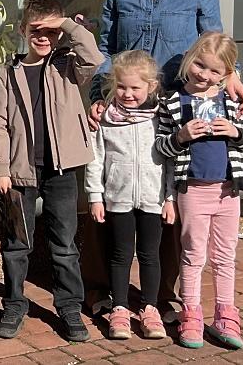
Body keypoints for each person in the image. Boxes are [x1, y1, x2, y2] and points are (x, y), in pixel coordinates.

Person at [86, 0, 243, 318]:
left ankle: (159, 295)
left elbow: (214, 42)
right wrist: (97, 93)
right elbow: (105, 52)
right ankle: (112, 292)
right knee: (117, 193)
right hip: (127, 107)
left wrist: (232, 77)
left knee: (167, 201)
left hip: (175, 108)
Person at [0, 0, 100, 343]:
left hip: (61, 170)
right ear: (22, 29)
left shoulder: (68, 65)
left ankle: (68, 306)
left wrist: (63, 24)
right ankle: (15, 302)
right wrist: (0, 167)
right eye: (35, 29)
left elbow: (94, 58)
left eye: (49, 31)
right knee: (17, 242)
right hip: (19, 170)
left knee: (64, 243)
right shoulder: (8, 71)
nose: (43, 37)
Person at [154, 32, 243, 350]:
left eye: (215, 71)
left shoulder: (231, 101)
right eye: (200, 65)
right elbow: (159, 147)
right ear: (189, 59)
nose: (205, 75)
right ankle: (192, 315)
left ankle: (226, 315)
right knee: (192, 255)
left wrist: (236, 132)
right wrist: (181, 136)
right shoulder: (173, 102)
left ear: (227, 74)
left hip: (229, 190)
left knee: (225, 256)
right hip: (193, 191)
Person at [84, 50, 175, 340]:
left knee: (150, 255)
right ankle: (120, 308)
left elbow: (172, 160)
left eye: (135, 87)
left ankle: (150, 308)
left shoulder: (160, 119)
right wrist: (95, 196)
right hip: (117, 198)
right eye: (121, 86)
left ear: (151, 87)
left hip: (153, 199)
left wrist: (170, 198)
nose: (127, 93)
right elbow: (95, 158)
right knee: (120, 254)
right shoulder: (107, 118)